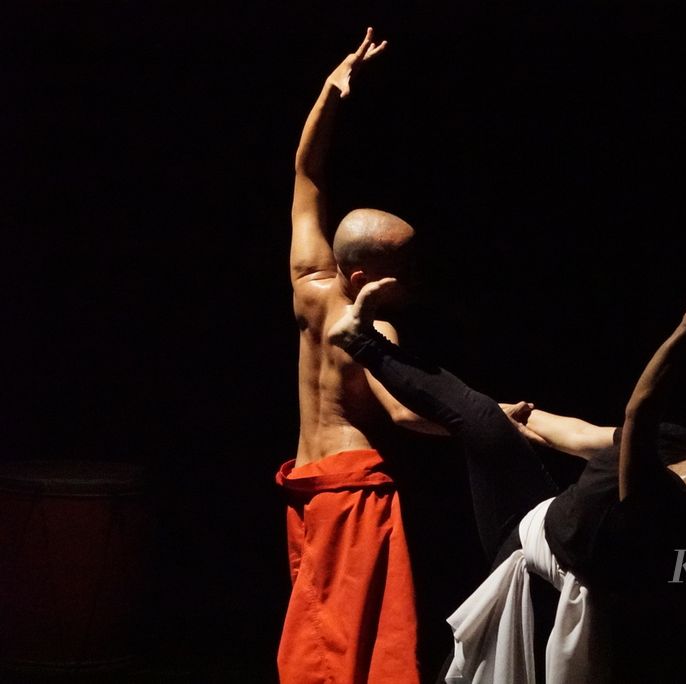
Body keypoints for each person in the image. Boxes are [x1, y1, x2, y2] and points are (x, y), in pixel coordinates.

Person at [328, 278, 686, 683]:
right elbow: (582, 437)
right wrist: (523, 420)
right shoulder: (679, 441)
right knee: (483, 416)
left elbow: (639, 411)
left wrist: (681, 336)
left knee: (478, 416)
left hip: (539, 573)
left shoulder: (670, 511)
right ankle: (361, 339)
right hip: (537, 513)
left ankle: (362, 342)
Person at [277, 28, 446, 684]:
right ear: (372, 275)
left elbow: (307, 173)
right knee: (356, 645)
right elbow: (404, 419)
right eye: (407, 268)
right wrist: (489, 426)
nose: (415, 281)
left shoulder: (308, 286)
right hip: (352, 493)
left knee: (317, 630)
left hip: (308, 488)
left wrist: (331, 91)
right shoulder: (374, 336)